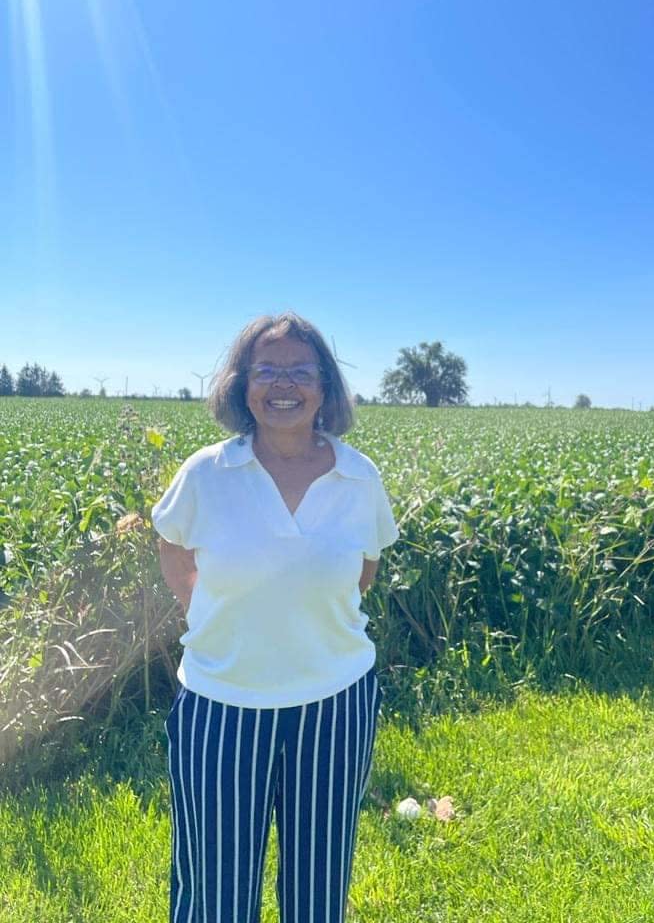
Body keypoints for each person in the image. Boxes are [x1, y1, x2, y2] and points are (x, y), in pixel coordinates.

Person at [152, 312, 399, 923]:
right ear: (242, 385)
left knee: (320, 881)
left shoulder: (358, 476)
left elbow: (363, 573)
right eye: (266, 370)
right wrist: (204, 608)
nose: (282, 385)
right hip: (220, 700)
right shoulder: (207, 472)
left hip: (335, 702)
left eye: (300, 371)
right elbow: (171, 544)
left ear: (325, 388)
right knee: (214, 887)